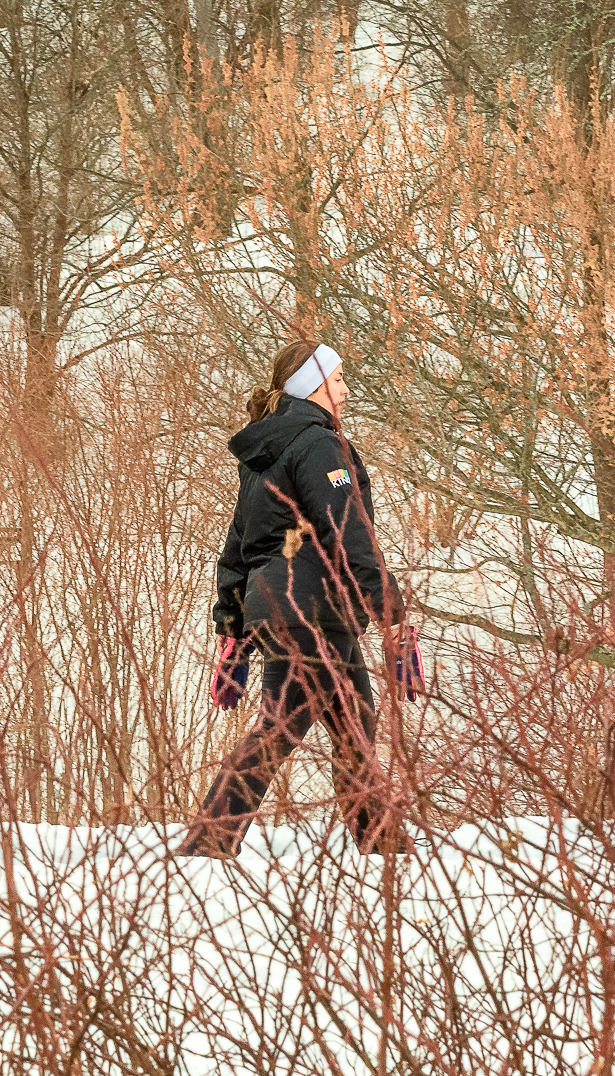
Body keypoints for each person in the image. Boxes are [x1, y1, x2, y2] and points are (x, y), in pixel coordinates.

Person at [184, 339, 409, 858]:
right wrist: (390, 612)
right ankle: (209, 843)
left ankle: (383, 845)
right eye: (338, 380)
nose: (346, 390)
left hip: (286, 603)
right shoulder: (318, 446)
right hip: (311, 606)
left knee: (355, 726)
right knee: (280, 727)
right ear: (315, 387)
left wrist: (233, 624)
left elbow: (238, 547)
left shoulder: (268, 452)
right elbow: (349, 531)